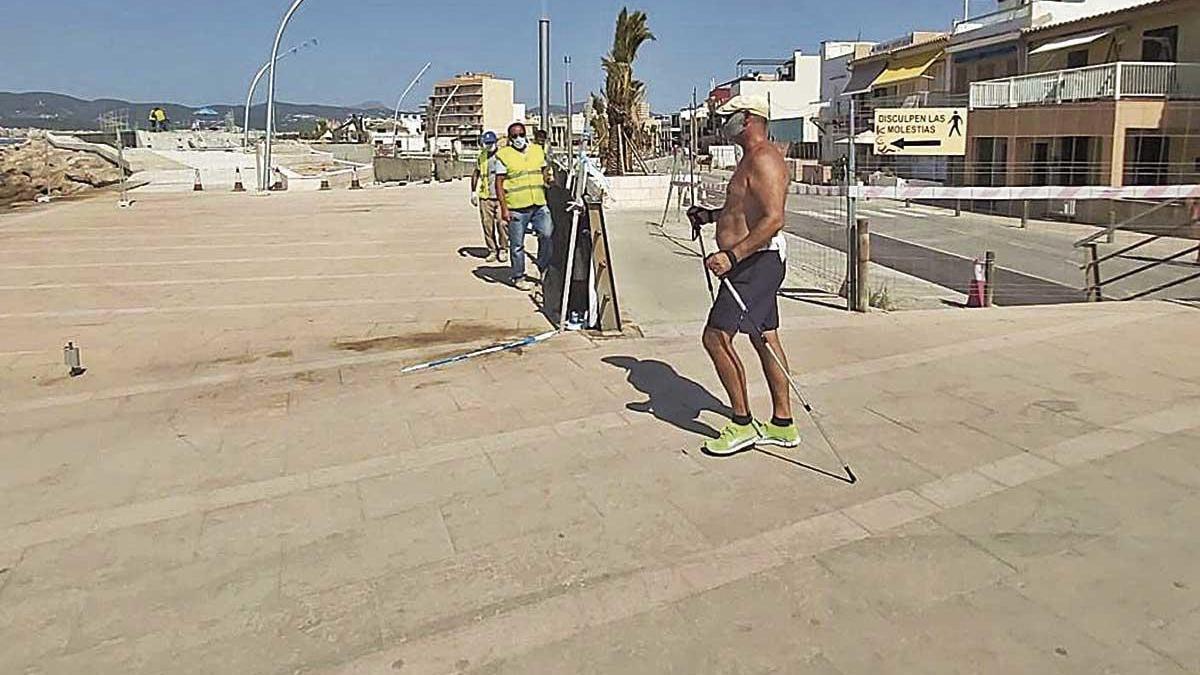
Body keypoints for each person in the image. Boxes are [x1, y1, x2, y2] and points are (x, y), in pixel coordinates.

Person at [687, 94, 796, 456]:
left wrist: (732, 256)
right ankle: (782, 424)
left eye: (729, 116)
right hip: (751, 262)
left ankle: (742, 423)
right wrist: (708, 215)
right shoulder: (748, 160)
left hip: (755, 263)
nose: (723, 122)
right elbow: (741, 209)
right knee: (765, 338)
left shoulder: (765, 158)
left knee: (716, 337)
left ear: (748, 119)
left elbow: (774, 218)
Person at [495, 121, 555, 291]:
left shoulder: (537, 150)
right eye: (514, 136)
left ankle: (542, 267)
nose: (518, 138)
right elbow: (499, 183)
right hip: (516, 207)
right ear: (510, 138)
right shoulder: (504, 155)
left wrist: (548, 179)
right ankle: (518, 276)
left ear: (526, 134)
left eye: (521, 134)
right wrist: (504, 208)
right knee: (517, 245)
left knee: (547, 234)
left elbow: (544, 170)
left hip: (539, 203)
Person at [471, 131, 507, 263]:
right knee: (487, 225)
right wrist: (473, 192)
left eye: (491, 143)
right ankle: (492, 250)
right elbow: (476, 173)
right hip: (486, 197)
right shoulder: (482, 156)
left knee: (502, 224)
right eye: (486, 143)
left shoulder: (503, 156)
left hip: (501, 196)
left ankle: (503, 248)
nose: (488, 145)